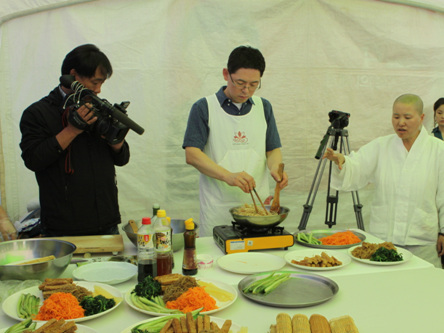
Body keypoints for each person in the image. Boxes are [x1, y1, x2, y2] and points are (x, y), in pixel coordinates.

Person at [19, 44, 130, 237]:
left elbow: (122, 159)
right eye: (95, 82)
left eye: (102, 83)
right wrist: (72, 130)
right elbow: (34, 159)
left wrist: (116, 138)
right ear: (74, 75)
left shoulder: (98, 109)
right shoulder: (38, 113)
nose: (99, 90)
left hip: (106, 220)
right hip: (63, 226)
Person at [323, 93, 444, 268]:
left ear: (421, 118)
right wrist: (342, 161)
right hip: (384, 239)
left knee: (423, 287)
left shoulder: (438, 150)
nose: (400, 122)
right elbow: (357, 166)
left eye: (407, 117)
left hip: (422, 240)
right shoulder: (381, 145)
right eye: (396, 116)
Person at [183, 46, 288, 236]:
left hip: (259, 211)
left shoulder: (263, 107)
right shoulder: (204, 107)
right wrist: (228, 176)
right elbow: (192, 154)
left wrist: (275, 168)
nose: (246, 90)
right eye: (240, 82)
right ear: (226, 74)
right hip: (217, 208)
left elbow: (272, 150)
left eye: (254, 84)